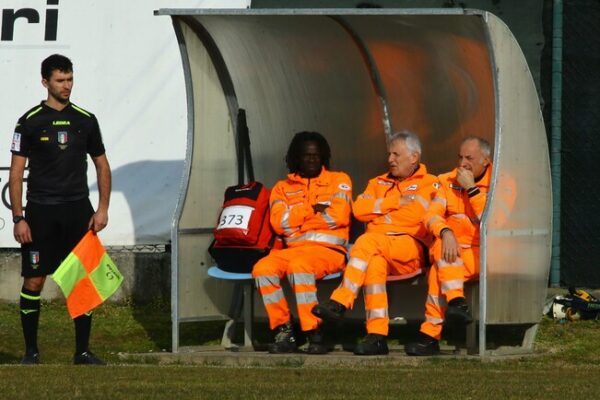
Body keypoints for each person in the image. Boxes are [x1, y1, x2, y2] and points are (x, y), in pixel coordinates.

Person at [9, 54, 111, 365]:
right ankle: (31, 352)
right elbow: (16, 174)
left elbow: (102, 166)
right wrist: (18, 217)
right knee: (34, 281)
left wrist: (102, 209)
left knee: (81, 282)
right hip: (41, 212)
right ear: (45, 82)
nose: (66, 86)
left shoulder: (86, 120)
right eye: (59, 80)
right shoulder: (28, 122)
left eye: (69, 79)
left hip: (78, 211)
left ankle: (82, 352)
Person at [312, 131, 439, 355]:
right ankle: (377, 336)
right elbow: (359, 210)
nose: (390, 159)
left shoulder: (430, 183)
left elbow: (414, 217)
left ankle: (340, 301)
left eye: (396, 154)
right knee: (373, 264)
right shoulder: (377, 181)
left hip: (410, 248)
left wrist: (379, 216)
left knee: (366, 241)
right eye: (389, 153)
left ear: (414, 157)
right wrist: (396, 202)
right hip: (380, 248)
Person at [252, 131, 352, 354]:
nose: (312, 159)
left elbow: (339, 217)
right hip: (292, 250)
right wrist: (312, 211)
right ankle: (284, 330)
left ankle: (314, 331)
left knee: (300, 267)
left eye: (316, 155)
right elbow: (279, 224)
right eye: (306, 155)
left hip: (329, 251)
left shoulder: (339, 180)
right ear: (296, 158)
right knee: (262, 269)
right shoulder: (281, 188)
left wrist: (296, 220)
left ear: (323, 156)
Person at [404, 136, 492, 356]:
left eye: (469, 158)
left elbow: (492, 222)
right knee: (440, 261)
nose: (462, 163)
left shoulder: (500, 182)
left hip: (482, 253)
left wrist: (472, 189)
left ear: (486, 160)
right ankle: (456, 304)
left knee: (439, 268)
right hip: (450, 251)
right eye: (460, 157)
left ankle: (430, 336)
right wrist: (446, 231)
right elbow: (431, 216)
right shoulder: (446, 180)